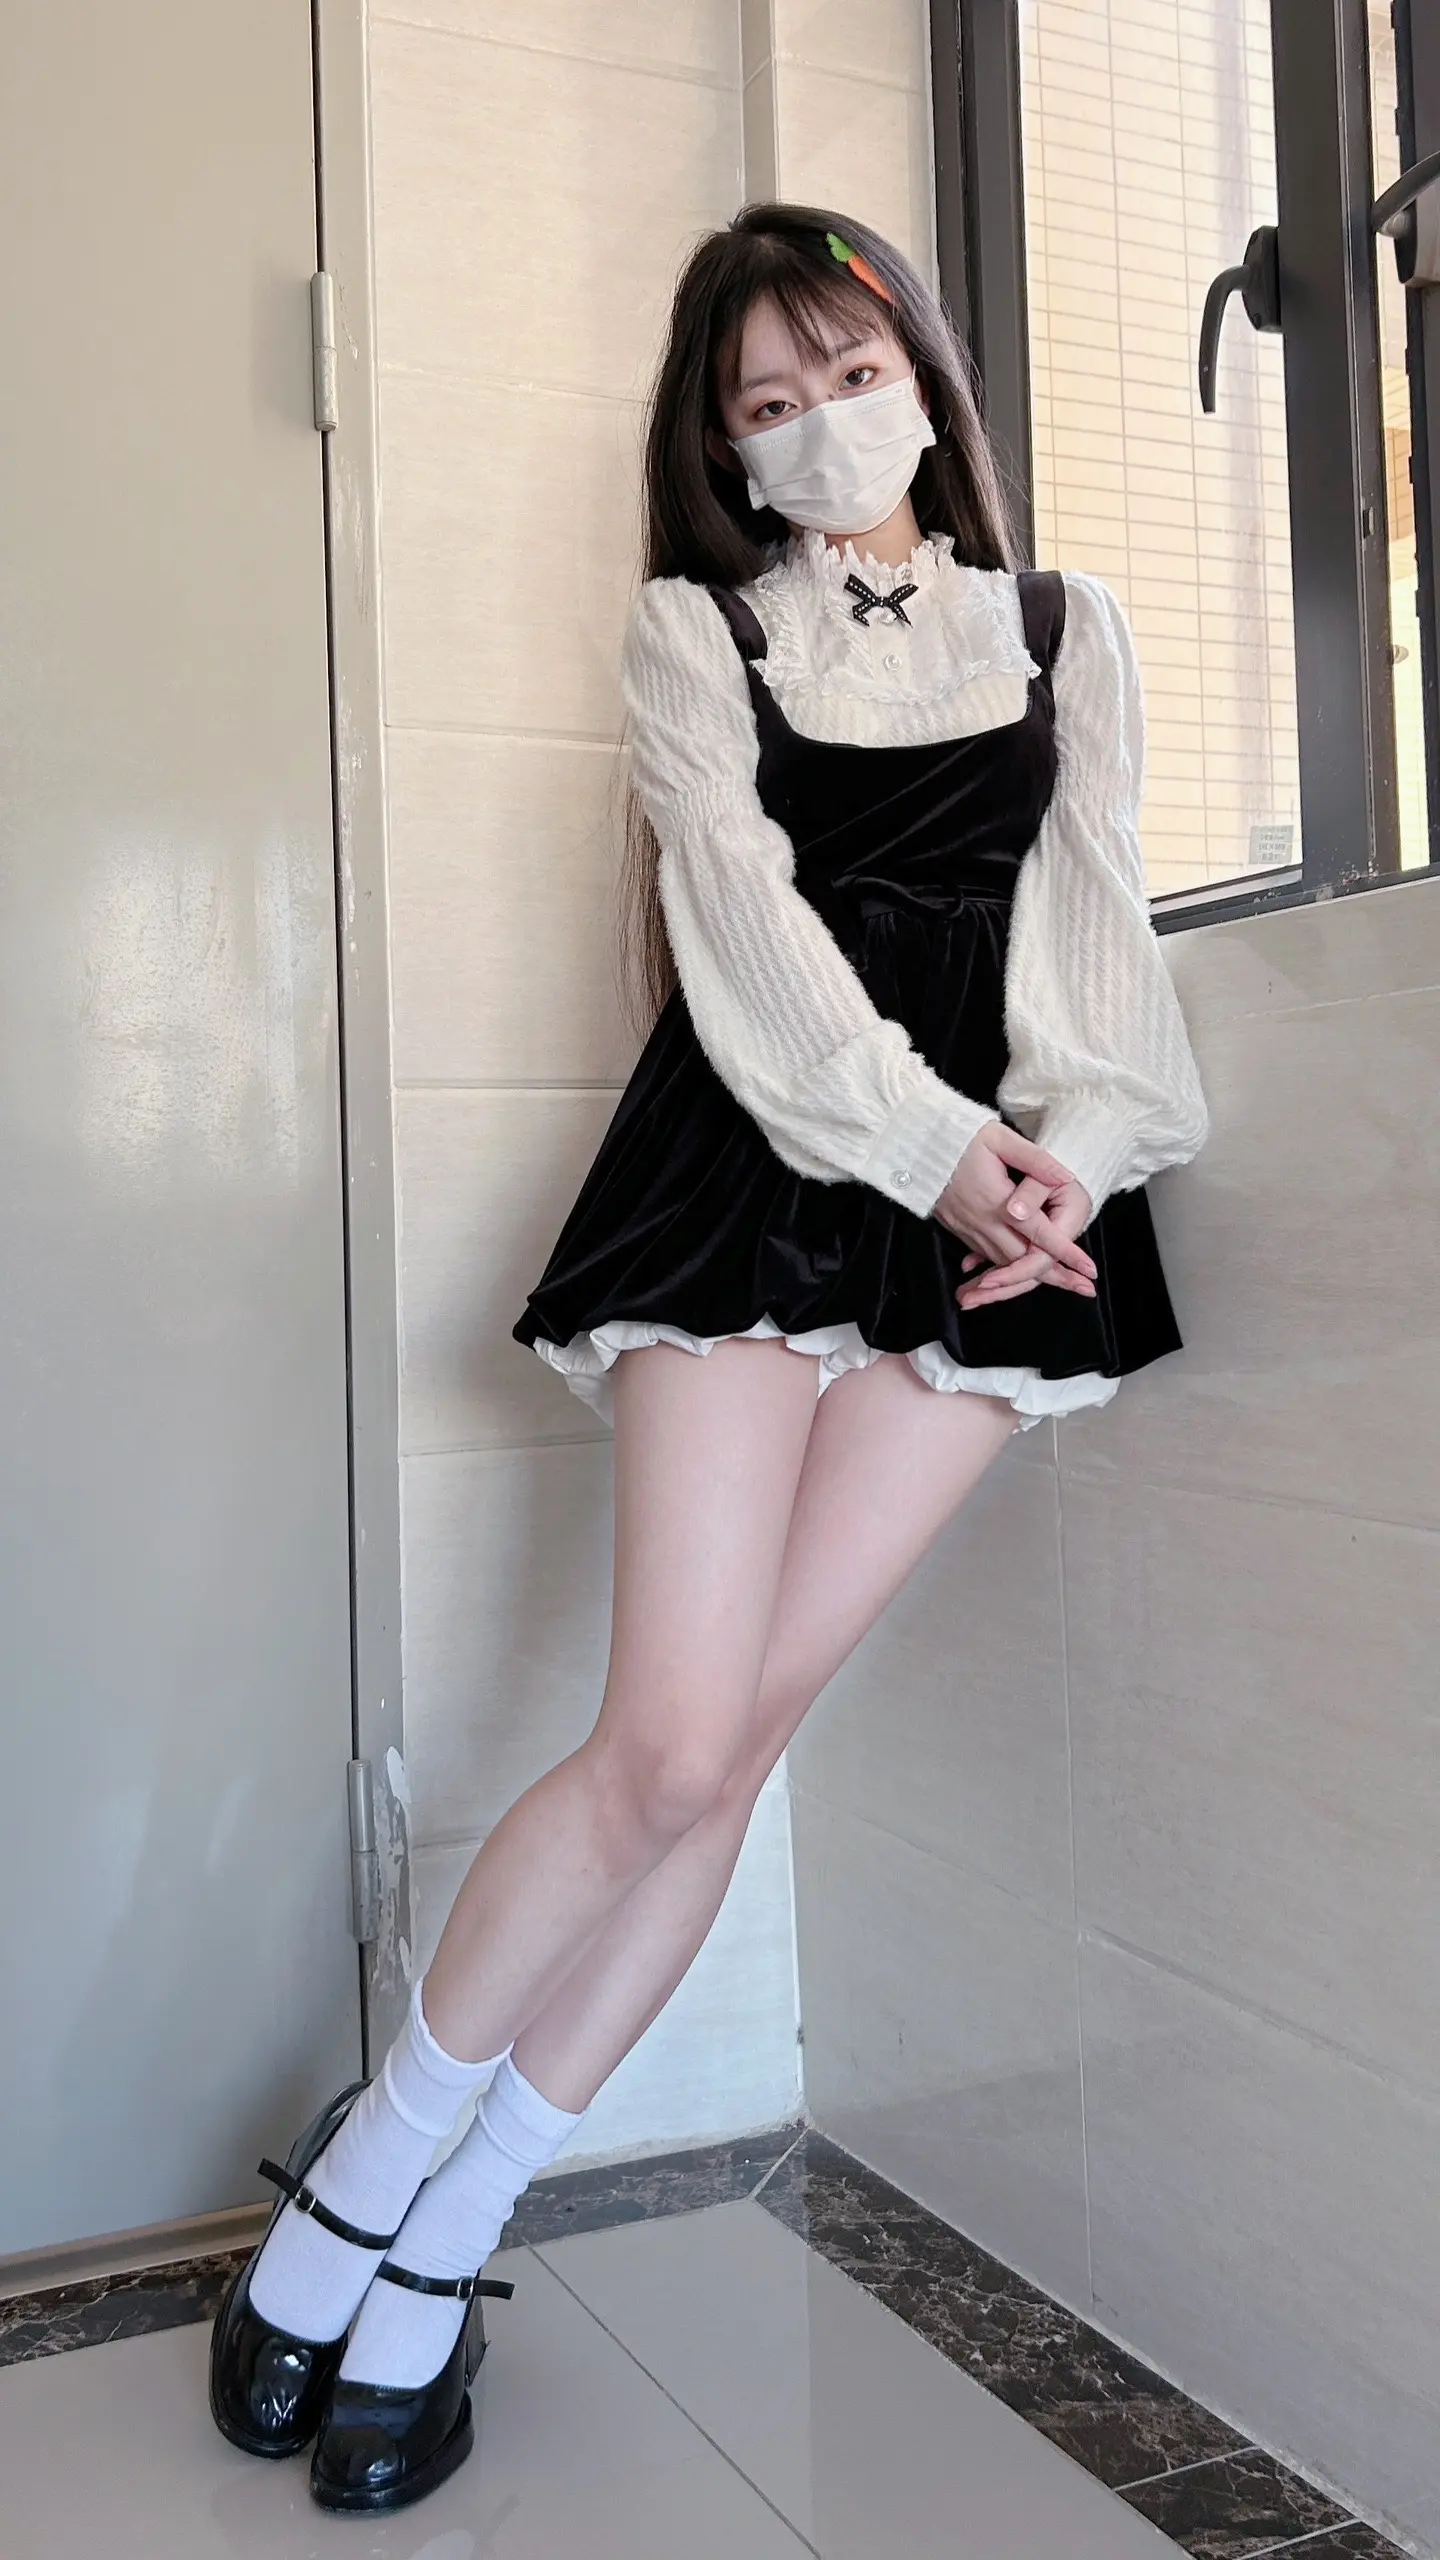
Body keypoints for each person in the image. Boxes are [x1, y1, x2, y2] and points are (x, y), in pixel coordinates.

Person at [210, 201, 1208, 2514]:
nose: (816, 423)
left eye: (846, 372)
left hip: (1007, 1213)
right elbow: (744, 947)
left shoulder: (1068, 629)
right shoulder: (700, 632)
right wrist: (939, 1152)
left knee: (743, 1738)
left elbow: (1101, 940)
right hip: (767, 1166)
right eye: (765, 403)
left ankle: (451, 2232)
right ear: (724, 448)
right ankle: (366, 2172)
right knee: (662, 1735)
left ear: (922, 376)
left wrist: (1062, 1163)